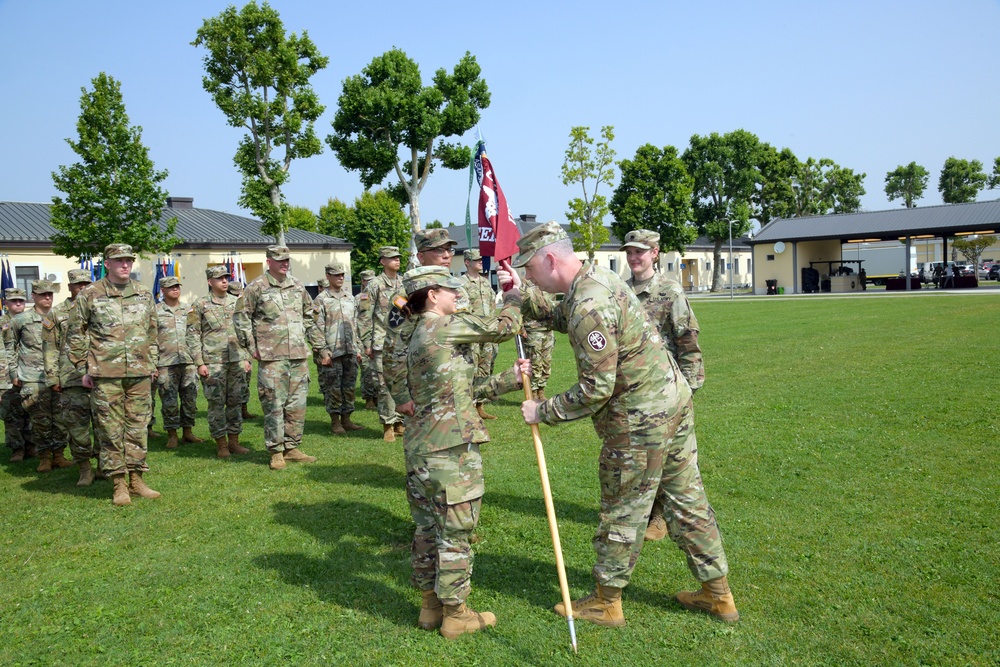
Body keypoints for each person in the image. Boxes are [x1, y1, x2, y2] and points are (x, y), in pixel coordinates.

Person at [501, 221, 738, 626]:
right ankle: (718, 595)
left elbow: (596, 388)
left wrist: (542, 410)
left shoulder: (588, 303)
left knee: (623, 508)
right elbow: (562, 315)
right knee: (687, 501)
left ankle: (606, 602)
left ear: (550, 259)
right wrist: (523, 298)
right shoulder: (597, 279)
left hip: (640, 421)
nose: (527, 275)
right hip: (671, 404)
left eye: (529, 268)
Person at [400, 265, 527, 639]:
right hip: (450, 451)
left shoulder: (420, 334)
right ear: (432, 294)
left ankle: (430, 607)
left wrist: (508, 380)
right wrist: (514, 295)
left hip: (422, 449)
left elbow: (457, 394)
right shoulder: (442, 326)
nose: (457, 294)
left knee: (427, 530)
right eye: (450, 289)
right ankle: (456, 614)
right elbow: (504, 328)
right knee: (455, 534)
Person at [620, 229, 705, 542]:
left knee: (666, 455)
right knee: (639, 454)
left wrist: (688, 387)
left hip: (667, 391)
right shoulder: (622, 291)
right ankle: (645, 509)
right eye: (629, 252)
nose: (634, 258)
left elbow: (688, 339)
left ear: (654, 252)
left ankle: (661, 515)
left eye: (640, 252)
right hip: (632, 390)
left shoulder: (669, 291)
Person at [66, 243, 161, 506]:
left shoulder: (143, 294)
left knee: (138, 426)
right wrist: (82, 366)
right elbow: (75, 332)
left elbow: (152, 332)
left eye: (129, 260)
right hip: (106, 373)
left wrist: (151, 362)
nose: (125, 265)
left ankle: (137, 478)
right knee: (110, 429)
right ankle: (119, 483)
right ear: (107, 263)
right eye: (119, 260)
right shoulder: (91, 294)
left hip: (140, 372)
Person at [235, 245, 323, 470]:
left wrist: (315, 343)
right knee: (274, 404)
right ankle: (276, 451)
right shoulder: (256, 287)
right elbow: (241, 317)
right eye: (279, 260)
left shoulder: (297, 285)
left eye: (287, 260)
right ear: (269, 261)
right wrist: (252, 346)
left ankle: (292, 447)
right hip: (272, 357)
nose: (285, 263)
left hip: (297, 355)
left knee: (297, 404)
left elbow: (309, 314)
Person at [7, 280, 73, 473]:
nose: (47, 298)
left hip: (59, 375)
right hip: (32, 376)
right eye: (43, 294)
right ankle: (44, 457)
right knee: (40, 419)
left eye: (50, 294)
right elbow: (10, 347)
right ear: (33, 296)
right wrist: (13, 372)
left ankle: (59, 455)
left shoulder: (60, 317)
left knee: (61, 418)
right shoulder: (21, 320)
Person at [189, 266, 251, 458]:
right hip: (213, 362)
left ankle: (234, 442)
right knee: (216, 404)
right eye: (219, 278)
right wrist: (200, 363)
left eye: (226, 277)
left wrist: (247, 356)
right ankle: (221, 444)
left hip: (237, 360)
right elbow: (192, 335)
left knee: (235, 401)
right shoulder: (200, 305)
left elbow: (247, 329)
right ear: (210, 282)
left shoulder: (238, 302)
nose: (224, 281)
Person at [53, 270, 100, 484]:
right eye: (77, 284)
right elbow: (49, 347)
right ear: (69, 286)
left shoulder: (102, 307)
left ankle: (103, 465)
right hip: (71, 376)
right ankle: (84, 468)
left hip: (101, 374)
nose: (82, 288)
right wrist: (53, 376)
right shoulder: (57, 313)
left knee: (104, 424)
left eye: (86, 283)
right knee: (77, 427)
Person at [314, 263, 363, 434]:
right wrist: (322, 351)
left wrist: (358, 348)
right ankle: (335, 421)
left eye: (342, 274)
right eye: (336, 275)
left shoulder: (350, 298)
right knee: (333, 387)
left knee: (349, 386)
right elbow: (316, 327)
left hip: (349, 349)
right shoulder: (321, 299)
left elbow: (355, 324)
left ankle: (347, 419)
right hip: (332, 351)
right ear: (328, 276)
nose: (340, 278)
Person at [362, 246, 405, 442]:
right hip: (381, 341)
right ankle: (388, 424)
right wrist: (366, 342)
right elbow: (364, 316)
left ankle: (400, 421)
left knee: (403, 382)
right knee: (384, 385)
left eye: (398, 257)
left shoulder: (404, 282)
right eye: (392, 258)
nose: (396, 260)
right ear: (382, 261)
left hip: (403, 341)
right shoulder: (374, 285)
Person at [154, 276, 201, 450]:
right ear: (163, 291)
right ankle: (172, 434)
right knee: (169, 400)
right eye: (171, 287)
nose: (175, 289)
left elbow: (196, 333)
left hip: (188, 361)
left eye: (177, 287)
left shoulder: (189, 310)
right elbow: (150, 338)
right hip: (165, 362)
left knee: (190, 398)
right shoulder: (155, 311)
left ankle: (188, 432)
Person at [462, 249, 499, 420]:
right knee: (471, 370)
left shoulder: (485, 283)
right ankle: (468, 407)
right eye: (476, 260)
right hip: (472, 334)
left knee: (485, 369)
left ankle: (480, 406)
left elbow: (492, 305)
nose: (480, 262)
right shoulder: (461, 284)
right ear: (467, 262)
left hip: (488, 334)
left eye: (481, 259)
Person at [1, 288, 34, 462]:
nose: (18, 303)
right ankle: (17, 449)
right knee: (12, 415)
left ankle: (31, 446)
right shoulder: (2, 323)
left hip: (29, 372)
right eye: (14, 301)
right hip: (6, 377)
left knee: (30, 411)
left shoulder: (30, 321)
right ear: (6, 303)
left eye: (21, 300)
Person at [228, 281, 255, 420]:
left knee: (246, 380)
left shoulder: (244, 304)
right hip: (233, 348)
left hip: (245, 347)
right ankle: (236, 411)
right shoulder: (230, 305)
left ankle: (244, 409)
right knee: (236, 383)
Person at [354, 269, 377, 410]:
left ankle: (378, 397)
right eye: (367, 280)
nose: (370, 283)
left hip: (379, 337)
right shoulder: (360, 298)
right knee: (367, 370)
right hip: (363, 338)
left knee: (379, 370)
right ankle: (369, 398)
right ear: (363, 281)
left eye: (372, 280)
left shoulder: (380, 295)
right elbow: (358, 321)